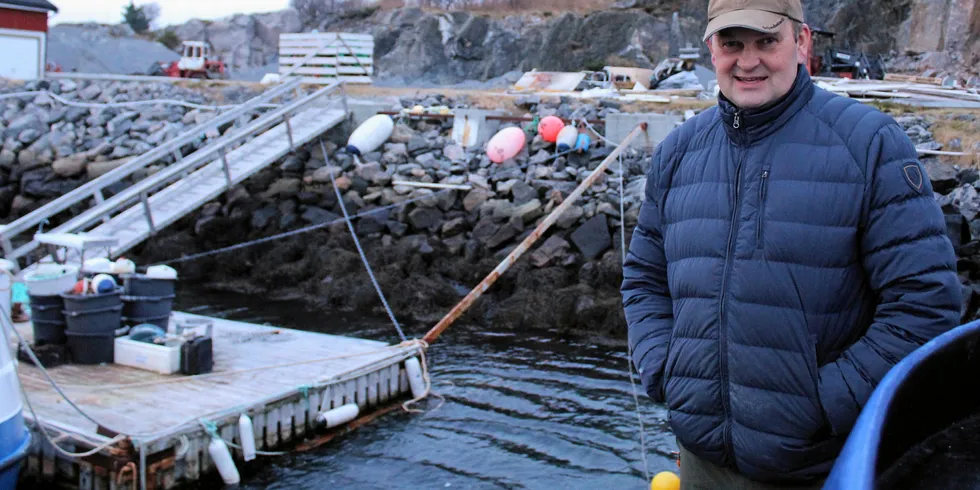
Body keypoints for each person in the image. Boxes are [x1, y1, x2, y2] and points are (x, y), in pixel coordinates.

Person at [620, 0, 963, 488]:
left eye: (766, 41)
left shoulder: (870, 144)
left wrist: (822, 404)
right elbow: (643, 278)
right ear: (711, 49)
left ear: (801, 43)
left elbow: (925, 303)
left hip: (819, 467)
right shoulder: (678, 151)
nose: (748, 60)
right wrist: (664, 369)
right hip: (700, 461)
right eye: (731, 43)